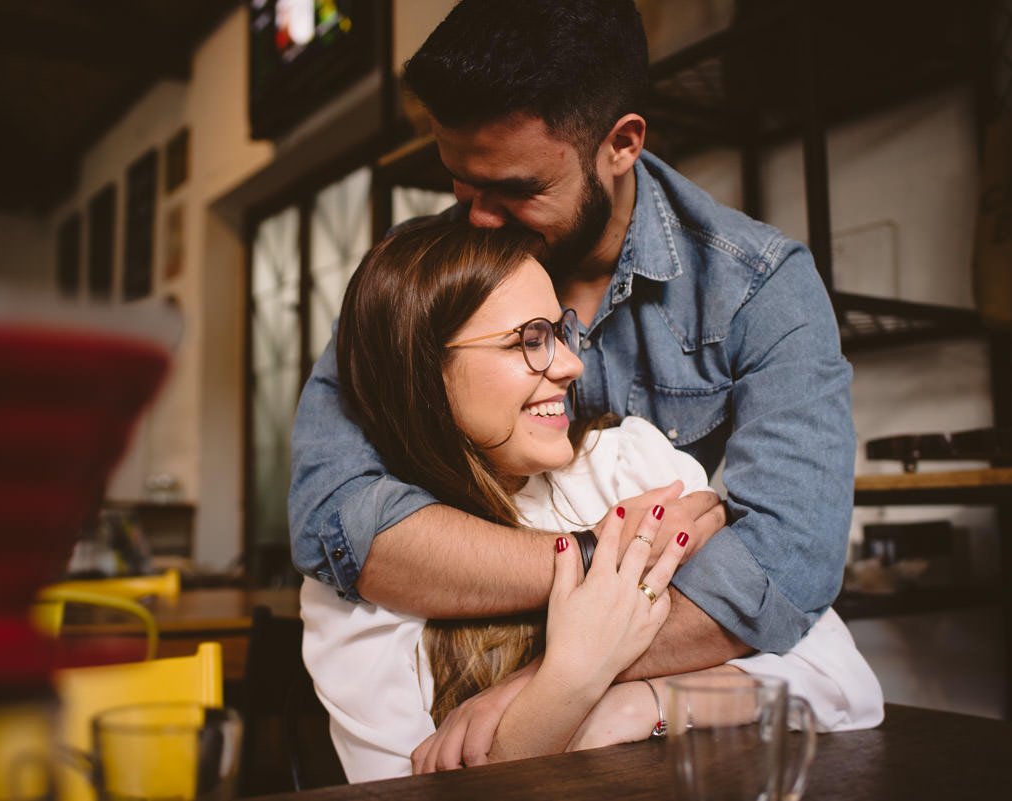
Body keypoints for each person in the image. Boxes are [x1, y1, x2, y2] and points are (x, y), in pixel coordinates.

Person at [290, 0, 856, 763]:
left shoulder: (756, 289)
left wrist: (552, 684)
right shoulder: (424, 278)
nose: (478, 219)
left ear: (621, 144)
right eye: (460, 181)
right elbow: (338, 519)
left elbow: (781, 572)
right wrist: (604, 559)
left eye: (516, 187)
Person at [301, 219, 882, 781]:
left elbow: (843, 685)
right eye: (529, 341)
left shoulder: (629, 466)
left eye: (558, 333)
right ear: (425, 372)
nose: (572, 364)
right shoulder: (370, 576)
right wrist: (569, 681)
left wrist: (646, 702)